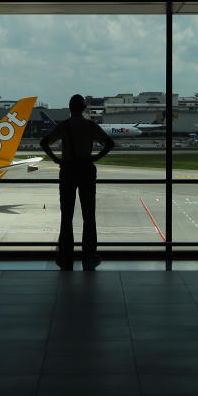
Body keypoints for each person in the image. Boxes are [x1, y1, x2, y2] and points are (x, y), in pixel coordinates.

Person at [40, 94, 115, 270]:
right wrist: (95, 157)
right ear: (83, 108)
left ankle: (66, 256)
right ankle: (89, 256)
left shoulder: (64, 126)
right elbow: (109, 143)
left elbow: (44, 142)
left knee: (66, 216)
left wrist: (56, 160)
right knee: (89, 215)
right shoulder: (90, 126)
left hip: (68, 170)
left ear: (69, 107)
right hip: (86, 169)